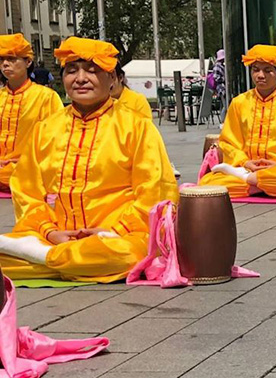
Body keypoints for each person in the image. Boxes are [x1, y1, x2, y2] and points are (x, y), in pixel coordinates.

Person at [0, 37, 178, 283]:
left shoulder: (137, 127)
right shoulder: (46, 129)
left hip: (117, 236)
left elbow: (155, 192)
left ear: (112, 78)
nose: (81, 78)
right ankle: (62, 258)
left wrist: (112, 231)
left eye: (92, 71)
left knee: (125, 254)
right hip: (54, 234)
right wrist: (50, 232)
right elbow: (25, 191)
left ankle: (42, 258)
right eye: (72, 71)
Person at [199, 44, 276, 198]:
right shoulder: (239, 103)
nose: (261, 75)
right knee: (207, 183)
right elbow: (228, 142)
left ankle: (251, 182)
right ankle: (261, 184)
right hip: (245, 168)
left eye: (268, 70)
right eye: (256, 70)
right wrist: (245, 162)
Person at [0, 35, 63, 192]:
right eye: (1, 59)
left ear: (28, 62)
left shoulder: (46, 97)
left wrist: (28, 161)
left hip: (30, 173)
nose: (5, 64)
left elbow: (57, 137)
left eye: (12, 58)